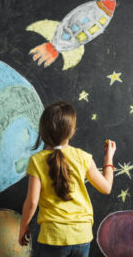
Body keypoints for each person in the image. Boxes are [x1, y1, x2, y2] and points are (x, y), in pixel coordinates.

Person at [18, 101, 116, 257]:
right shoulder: (83, 157)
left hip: (53, 237)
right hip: (81, 236)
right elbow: (106, 188)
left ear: (43, 130)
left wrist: (23, 226)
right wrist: (108, 158)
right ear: (71, 131)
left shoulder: (37, 160)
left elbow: (32, 202)